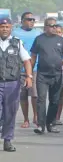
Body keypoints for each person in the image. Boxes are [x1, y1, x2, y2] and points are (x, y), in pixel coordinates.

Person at [30, 18, 63, 134]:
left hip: (57, 75)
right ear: (45, 27)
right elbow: (33, 56)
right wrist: (29, 73)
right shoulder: (39, 39)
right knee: (41, 100)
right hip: (42, 75)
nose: (54, 28)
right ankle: (40, 125)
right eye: (51, 26)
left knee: (54, 101)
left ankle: (50, 123)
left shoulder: (61, 40)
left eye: (55, 26)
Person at [0, 17, 33, 152]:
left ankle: (7, 140)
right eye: (2, 27)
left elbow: (26, 61)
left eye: (7, 27)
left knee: (10, 113)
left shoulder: (17, 43)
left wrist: (29, 77)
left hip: (12, 83)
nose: (4, 29)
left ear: (11, 28)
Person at [12, 12, 41, 129]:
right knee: (22, 96)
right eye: (29, 19)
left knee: (35, 94)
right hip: (19, 68)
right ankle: (26, 119)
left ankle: (36, 116)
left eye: (33, 20)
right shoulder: (15, 33)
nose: (31, 22)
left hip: (35, 68)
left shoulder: (38, 33)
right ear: (22, 20)